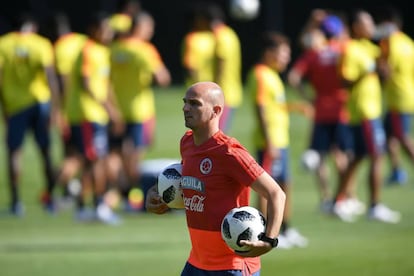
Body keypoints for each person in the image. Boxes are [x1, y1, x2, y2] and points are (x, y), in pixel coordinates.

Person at [146, 81, 286, 275]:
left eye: (195, 103)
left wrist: (270, 240)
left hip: (231, 266)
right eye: (185, 102)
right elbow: (187, 181)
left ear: (216, 110)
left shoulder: (229, 152)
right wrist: (156, 194)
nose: (186, 108)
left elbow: (276, 193)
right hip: (196, 263)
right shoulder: (187, 143)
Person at [287, 12, 364, 216]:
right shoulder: (343, 50)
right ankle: (348, 196)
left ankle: (326, 197)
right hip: (341, 110)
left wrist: (308, 96)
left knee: (320, 157)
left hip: (320, 111)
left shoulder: (314, 54)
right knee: (343, 156)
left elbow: (294, 78)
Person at [334, 9, 401, 223]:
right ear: (356, 27)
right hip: (363, 110)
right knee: (377, 155)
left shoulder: (371, 48)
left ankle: (337, 200)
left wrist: (386, 51)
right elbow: (344, 81)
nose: (371, 26)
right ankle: (374, 205)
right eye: (367, 22)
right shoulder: (351, 49)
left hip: (373, 108)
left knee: (359, 157)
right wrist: (364, 74)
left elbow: (385, 74)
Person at [246, 31, 309, 249]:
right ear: (269, 52)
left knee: (285, 185)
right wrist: (269, 141)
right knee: (267, 189)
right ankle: (263, 232)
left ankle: (286, 229)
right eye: (283, 53)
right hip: (270, 142)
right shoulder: (260, 74)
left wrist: (294, 107)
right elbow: (261, 108)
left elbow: (275, 106)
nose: (286, 58)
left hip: (281, 141)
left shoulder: (272, 75)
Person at [63, 11, 123, 224]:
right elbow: (87, 83)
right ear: (94, 30)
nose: (108, 33)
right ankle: (98, 206)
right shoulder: (88, 50)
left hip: (96, 114)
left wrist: (112, 109)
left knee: (92, 160)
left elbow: (104, 86)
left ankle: (84, 207)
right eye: (104, 28)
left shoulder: (101, 51)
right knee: (95, 160)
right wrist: (107, 108)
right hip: (87, 114)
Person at [109, 10, 171, 210]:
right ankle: (135, 195)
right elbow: (163, 78)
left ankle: (119, 192)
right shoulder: (144, 50)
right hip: (139, 110)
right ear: (141, 27)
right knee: (136, 155)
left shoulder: (114, 48)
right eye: (149, 27)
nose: (151, 31)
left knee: (116, 154)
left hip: (116, 109)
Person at [0, 12, 60, 215]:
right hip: (40, 103)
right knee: (45, 152)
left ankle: (16, 203)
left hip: (15, 106)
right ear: (32, 27)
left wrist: (4, 107)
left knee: (14, 153)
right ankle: (50, 199)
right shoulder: (41, 44)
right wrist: (56, 108)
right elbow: (50, 76)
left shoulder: (4, 44)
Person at [375, 6, 414, 185]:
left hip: (399, 97)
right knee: (389, 136)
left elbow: (386, 71)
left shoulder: (391, 44)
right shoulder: (408, 42)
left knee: (402, 137)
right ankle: (397, 171)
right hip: (404, 94)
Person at [51, 12, 88, 201]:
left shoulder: (59, 48)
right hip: (90, 108)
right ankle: (72, 190)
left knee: (74, 155)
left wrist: (58, 111)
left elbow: (63, 82)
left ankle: (54, 190)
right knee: (85, 155)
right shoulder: (84, 41)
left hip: (72, 109)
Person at [208, 3, 243, 133]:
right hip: (231, 90)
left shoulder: (220, 36)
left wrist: (213, 88)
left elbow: (221, 62)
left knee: (216, 135)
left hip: (223, 93)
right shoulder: (230, 33)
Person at [181, 1, 216, 86]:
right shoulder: (191, 39)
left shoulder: (214, 37)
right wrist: (198, 86)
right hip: (198, 87)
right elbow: (190, 66)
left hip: (213, 86)